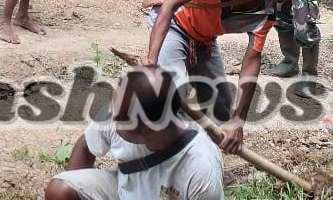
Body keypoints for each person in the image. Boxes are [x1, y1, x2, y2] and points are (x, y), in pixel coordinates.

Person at [143, 0, 311, 153]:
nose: (287, 0)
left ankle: (210, 160)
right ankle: (161, 158)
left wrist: (238, 122)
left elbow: (252, 59)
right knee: (174, 90)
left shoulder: (271, 9)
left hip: (204, 38)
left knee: (220, 101)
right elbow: (169, 7)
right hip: (174, 24)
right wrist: (151, 61)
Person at [45, 66, 223, 200]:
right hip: (123, 190)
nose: (111, 120)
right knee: (61, 189)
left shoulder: (201, 168)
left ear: (148, 128)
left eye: (119, 121)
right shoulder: (119, 110)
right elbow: (86, 145)